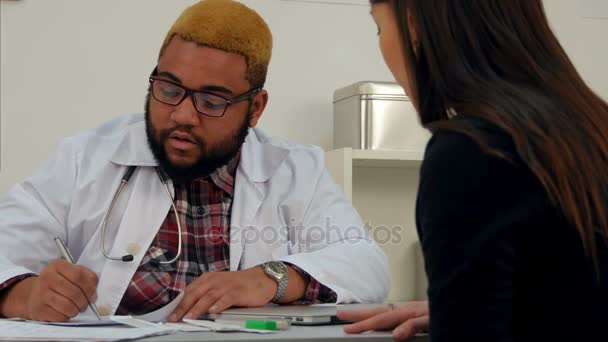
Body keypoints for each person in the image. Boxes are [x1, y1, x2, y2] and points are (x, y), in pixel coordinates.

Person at [0, 0, 389, 322]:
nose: (183, 115)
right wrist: (24, 294)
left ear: (255, 108)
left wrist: (273, 277)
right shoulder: (86, 157)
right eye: (169, 89)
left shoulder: (296, 171)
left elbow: (368, 265)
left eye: (211, 101)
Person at [338, 0, 608, 341]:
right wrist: (469, 305)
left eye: (380, 27)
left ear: (413, 24)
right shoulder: (593, 131)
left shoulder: (470, 154)